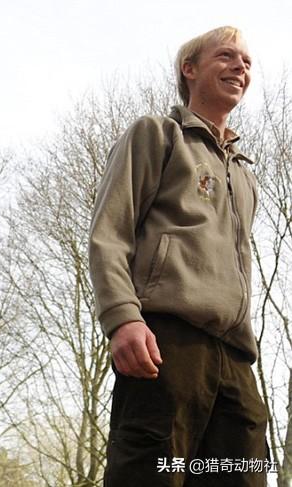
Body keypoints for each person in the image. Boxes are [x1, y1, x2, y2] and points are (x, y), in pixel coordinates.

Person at [88, 26, 268, 487]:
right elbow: (110, 230)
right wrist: (122, 317)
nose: (240, 67)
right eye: (226, 56)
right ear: (190, 69)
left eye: (246, 62)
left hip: (235, 356)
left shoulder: (245, 176)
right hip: (165, 343)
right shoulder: (157, 135)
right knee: (152, 474)